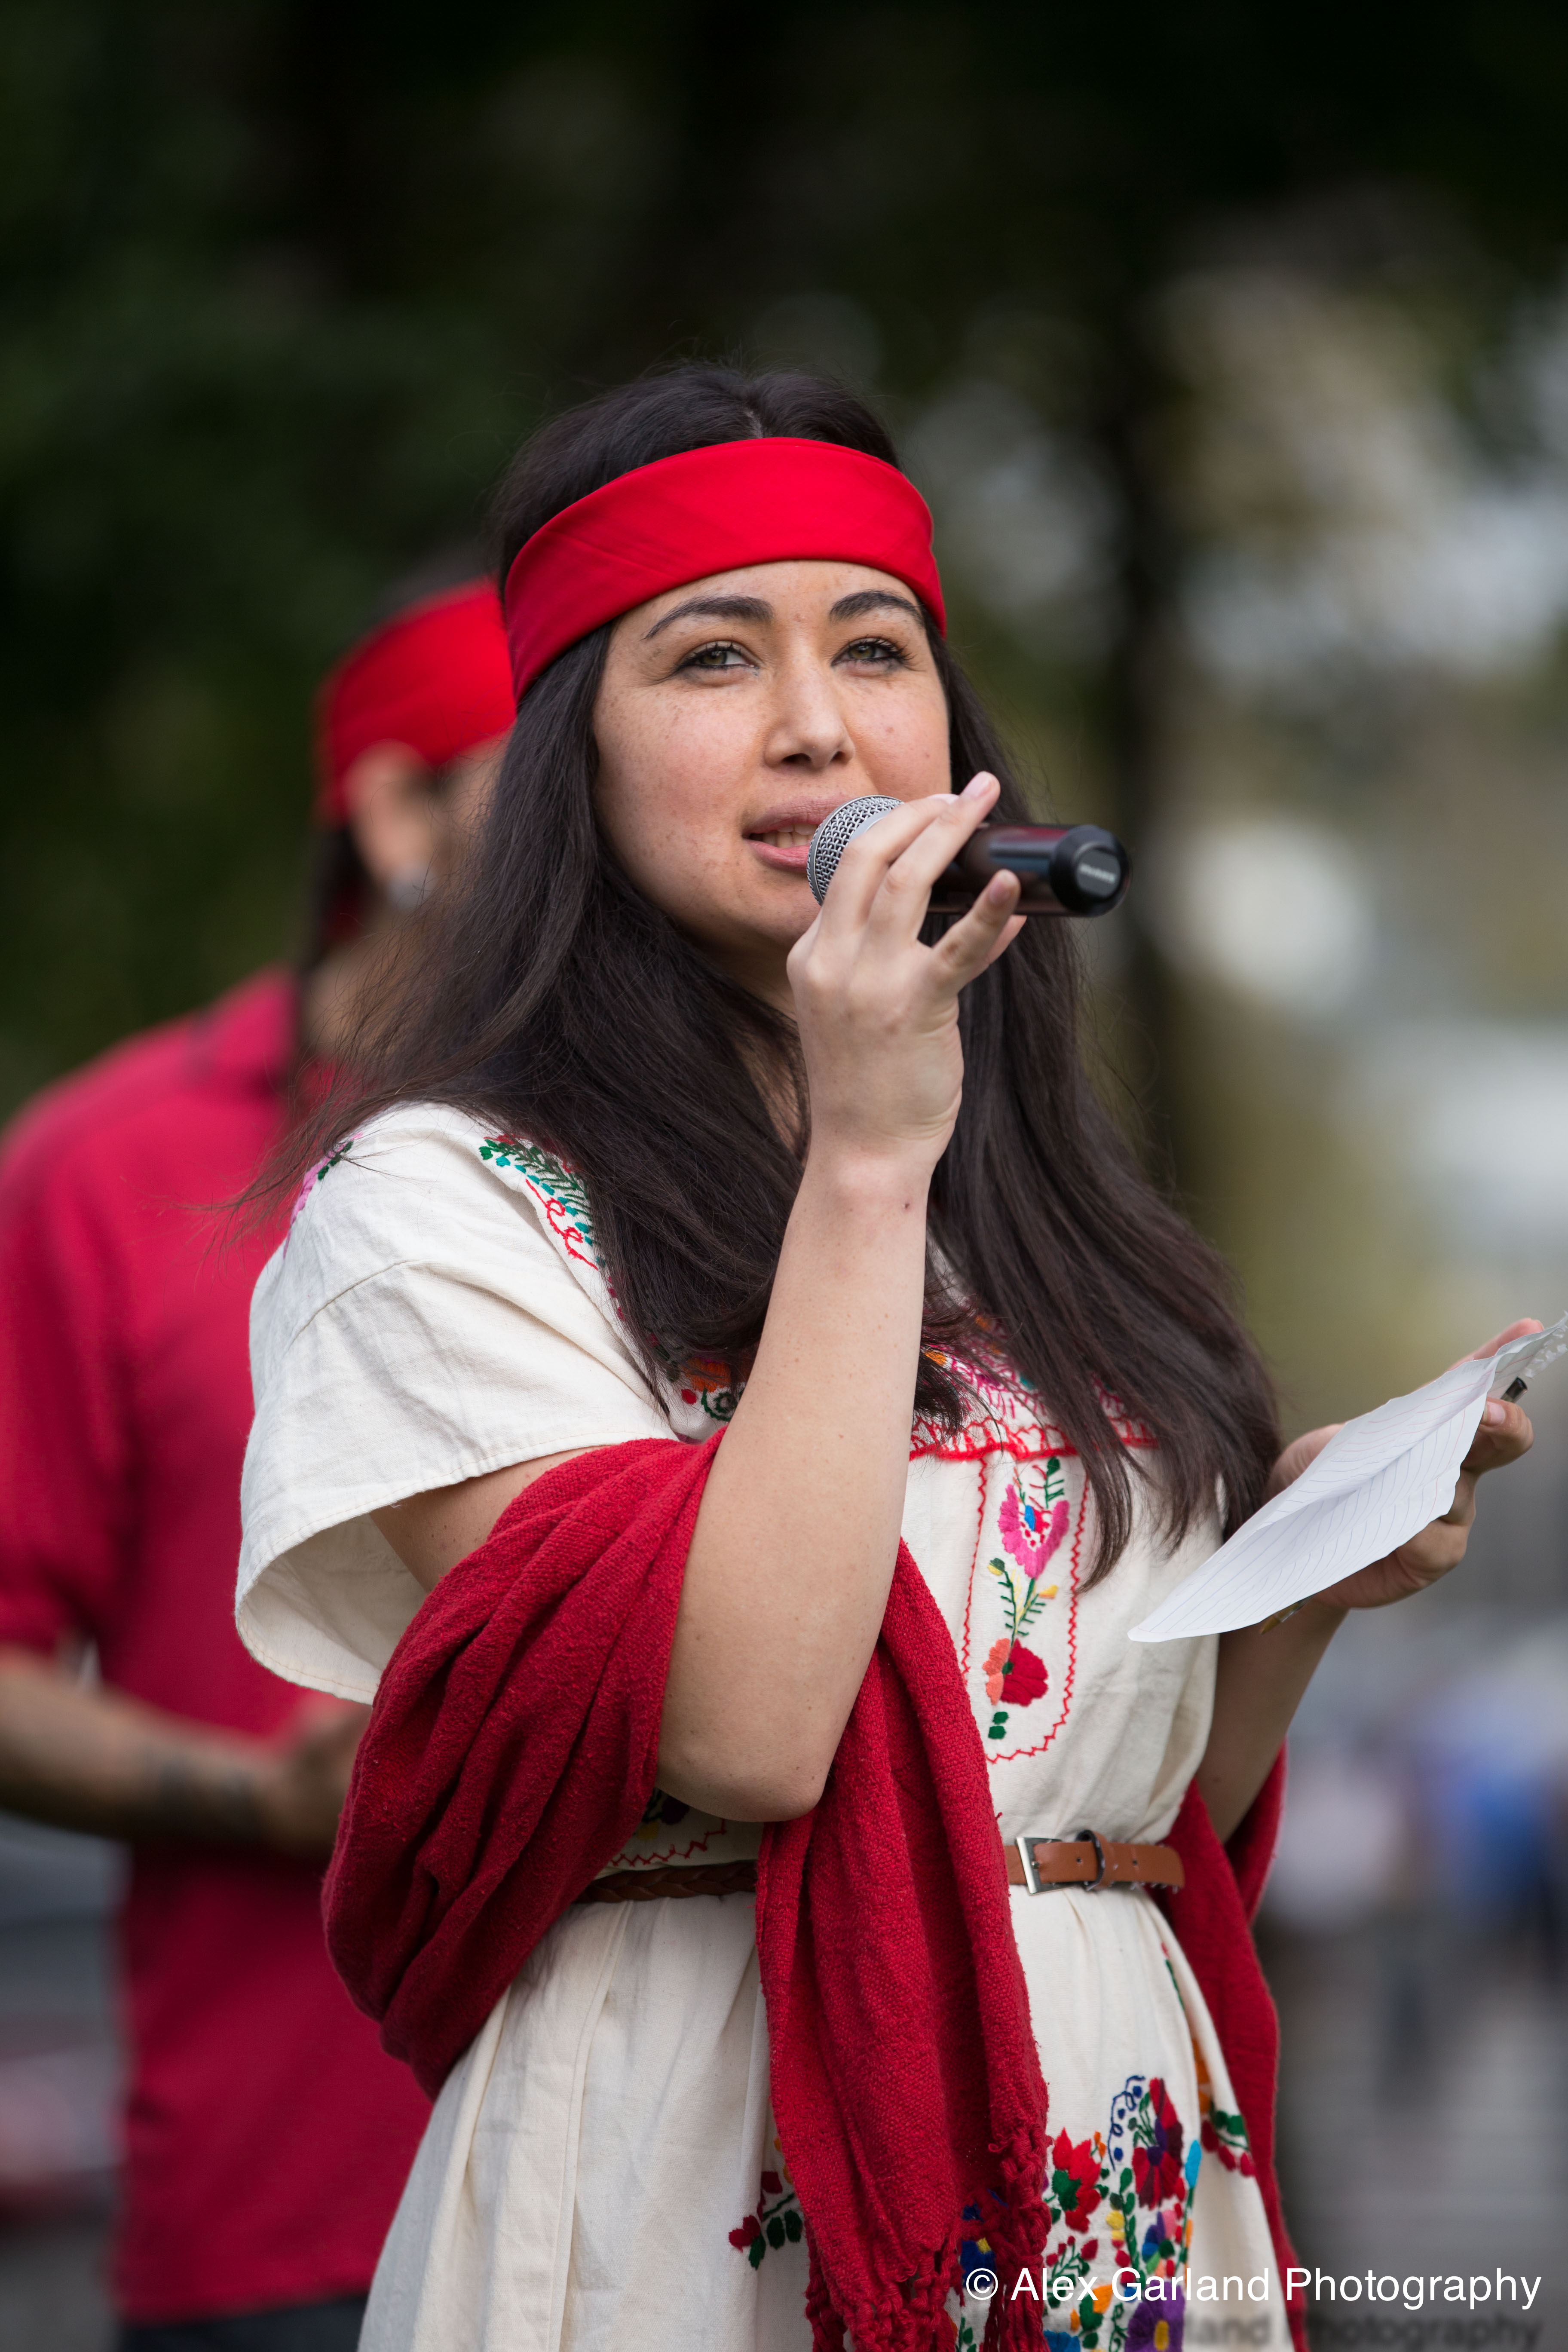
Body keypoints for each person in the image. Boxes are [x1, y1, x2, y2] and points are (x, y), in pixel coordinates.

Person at [234, 369, 1534, 2352]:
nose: (816, 725)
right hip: (699, 2168)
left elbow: (1128, 1801)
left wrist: (1300, 1582)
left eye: (872, 647)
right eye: (711, 657)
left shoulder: (1029, 1206)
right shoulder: (439, 1206)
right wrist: (861, 1157)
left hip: (1105, 2149)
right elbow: (748, 1729)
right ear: (575, 756)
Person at [0, 578, 514, 2349]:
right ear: (397, 815)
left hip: (700, 2206)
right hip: (291, 2235)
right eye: (553, 783)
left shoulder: (733, 1164)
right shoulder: (103, 1167)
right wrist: (262, 1801)